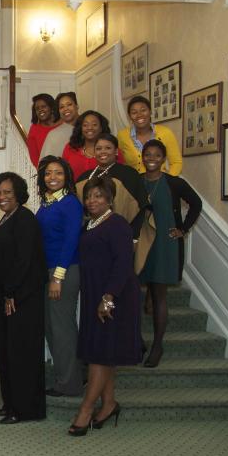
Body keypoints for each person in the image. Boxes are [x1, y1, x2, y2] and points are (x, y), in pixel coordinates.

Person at [68, 176, 141, 437]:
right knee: (103, 352)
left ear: (110, 199)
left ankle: (86, 410)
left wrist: (108, 297)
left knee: (100, 355)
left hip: (113, 298)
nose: (92, 200)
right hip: (93, 295)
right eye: (88, 196)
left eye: (98, 195)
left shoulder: (118, 224)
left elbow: (123, 264)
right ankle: (108, 403)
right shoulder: (90, 225)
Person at [0, 172, 47, 424]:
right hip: (6, 297)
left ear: (18, 193)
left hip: (21, 299)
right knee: (7, 353)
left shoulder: (25, 219)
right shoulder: (6, 218)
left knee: (21, 355)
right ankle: (10, 403)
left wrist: (11, 292)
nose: (2, 197)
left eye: (7, 192)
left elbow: (24, 261)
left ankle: (25, 409)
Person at [140, 139, 201, 368]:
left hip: (166, 244)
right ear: (142, 157)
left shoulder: (175, 183)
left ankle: (157, 345)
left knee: (159, 295)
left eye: (157, 155)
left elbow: (196, 204)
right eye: (148, 154)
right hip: (141, 244)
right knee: (130, 292)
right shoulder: (136, 182)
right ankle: (136, 341)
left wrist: (183, 229)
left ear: (163, 159)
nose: (152, 158)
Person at [35, 156, 83, 397]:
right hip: (47, 271)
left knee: (62, 328)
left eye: (58, 173)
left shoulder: (71, 203)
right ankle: (64, 378)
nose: (52, 178)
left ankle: (71, 383)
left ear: (67, 177)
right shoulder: (47, 203)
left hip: (63, 271)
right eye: (48, 174)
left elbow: (71, 241)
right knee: (51, 328)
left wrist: (58, 278)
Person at [75, 133, 151, 271]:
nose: (103, 152)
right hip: (91, 239)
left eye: (108, 148)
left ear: (116, 151)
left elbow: (140, 208)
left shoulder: (128, 174)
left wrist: (134, 238)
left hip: (119, 238)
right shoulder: (84, 176)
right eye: (98, 148)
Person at [117, 95, 183, 176]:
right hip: (134, 185)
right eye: (134, 112)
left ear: (150, 112)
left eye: (143, 110)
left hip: (159, 183)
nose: (139, 115)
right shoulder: (122, 136)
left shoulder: (165, 132)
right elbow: (119, 162)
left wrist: (166, 181)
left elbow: (176, 162)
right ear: (129, 116)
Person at [63, 110, 124, 180]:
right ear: (81, 128)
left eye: (94, 124)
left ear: (101, 128)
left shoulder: (112, 150)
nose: (90, 128)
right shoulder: (70, 148)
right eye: (85, 125)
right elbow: (63, 172)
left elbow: (121, 173)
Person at [39, 92, 79, 160]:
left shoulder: (89, 129)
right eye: (61, 107)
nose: (66, 109)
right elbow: (44, 163)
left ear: (76, 106)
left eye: (69, 104)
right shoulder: (53, 135)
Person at [26, 93, 60, 167]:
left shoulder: (63, 124)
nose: (40, 110)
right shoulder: (34, 129)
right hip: (46, 171)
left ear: (51, 107)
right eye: (37, 108)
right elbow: (34, 157)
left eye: (43, 106)